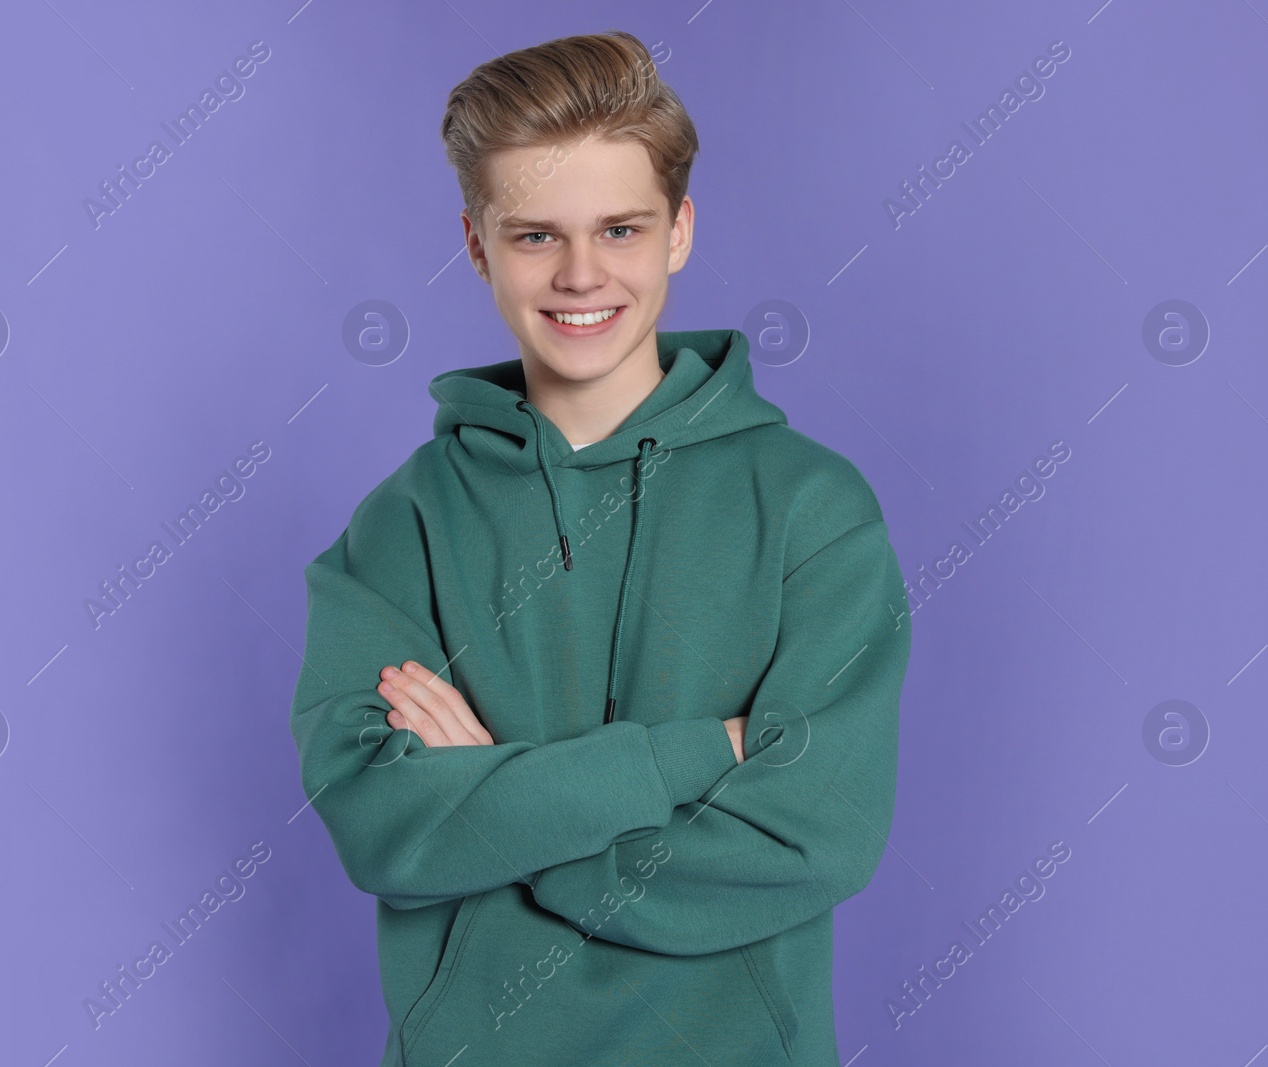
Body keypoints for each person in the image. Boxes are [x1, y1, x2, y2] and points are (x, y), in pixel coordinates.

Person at [290, 29, 912, 1066]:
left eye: (620, 228)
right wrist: (696, 752)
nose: (581, 274)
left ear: (679, 231)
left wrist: (501, 812)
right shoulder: (403, 524)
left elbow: (813, 834)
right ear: (477, 242)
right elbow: (377, 820)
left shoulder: (813, 507)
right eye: (535, 235)